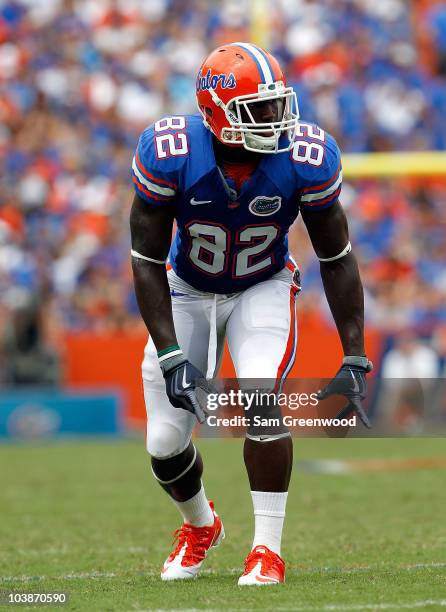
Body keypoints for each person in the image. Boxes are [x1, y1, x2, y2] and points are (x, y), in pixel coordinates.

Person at [130, 42, 371, 585]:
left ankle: (267, 549)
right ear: (217, 114)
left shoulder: (306, 157)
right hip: (187, 288)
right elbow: (144, 259)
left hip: (261, 283)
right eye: (258, 109)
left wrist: (354, 352)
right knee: (165, 444)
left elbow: (336, 257)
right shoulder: (170, 151)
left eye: (277, 103)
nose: (276, 119)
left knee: (261, 395)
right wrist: (170, 353)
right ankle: (200, 526)